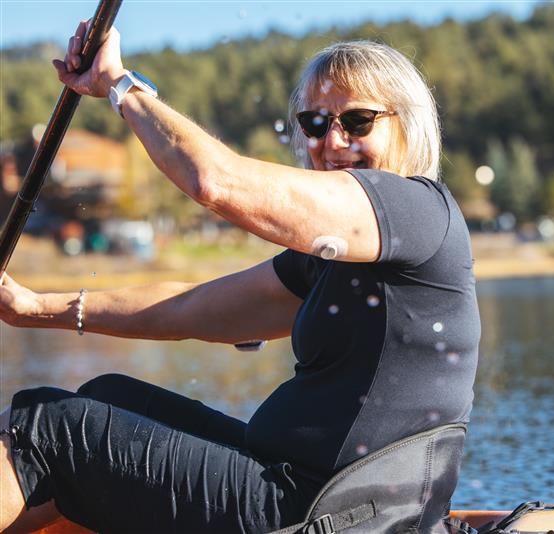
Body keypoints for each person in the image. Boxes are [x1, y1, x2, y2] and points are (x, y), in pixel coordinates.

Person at [0, 19, 480, 534]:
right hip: (301, 491)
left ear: (407, 125)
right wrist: (31, 307)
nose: (333, 141)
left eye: (359, 121)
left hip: (321, 514)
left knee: (45, 427)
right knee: (105, 396)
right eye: (316, 124)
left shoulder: (417, 210)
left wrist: (119, 85)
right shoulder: (329, 259)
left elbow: (214, 181)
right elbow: (188, 309)